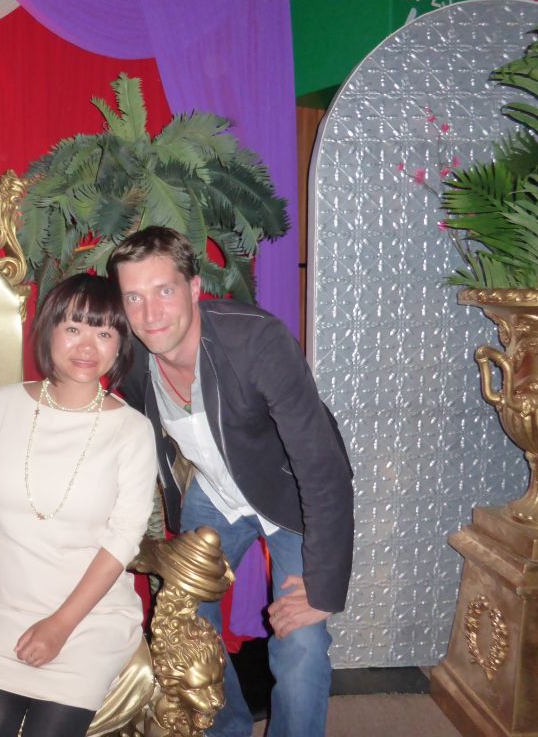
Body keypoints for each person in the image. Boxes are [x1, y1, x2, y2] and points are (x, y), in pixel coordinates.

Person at [107, 227, 354, 737]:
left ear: (195, 287)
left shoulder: (255, 341)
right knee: (185, 618)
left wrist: (324, 588)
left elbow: (321, 467)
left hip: (290, 498)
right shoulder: (131, 357)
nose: (150, 314)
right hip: (215, 496)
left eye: (164, 291)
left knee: (302, 642)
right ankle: (226, 727)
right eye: (134, 297)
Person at [0, 273, 157, 737]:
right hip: (7, 606)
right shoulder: (5, 404)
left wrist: (60, 626)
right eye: (74, 328)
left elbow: (123, 539)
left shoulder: (131, 431)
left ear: (120, 345)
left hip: (90, 617)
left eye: (104, 332)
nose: (88, 345)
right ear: (48, 330)